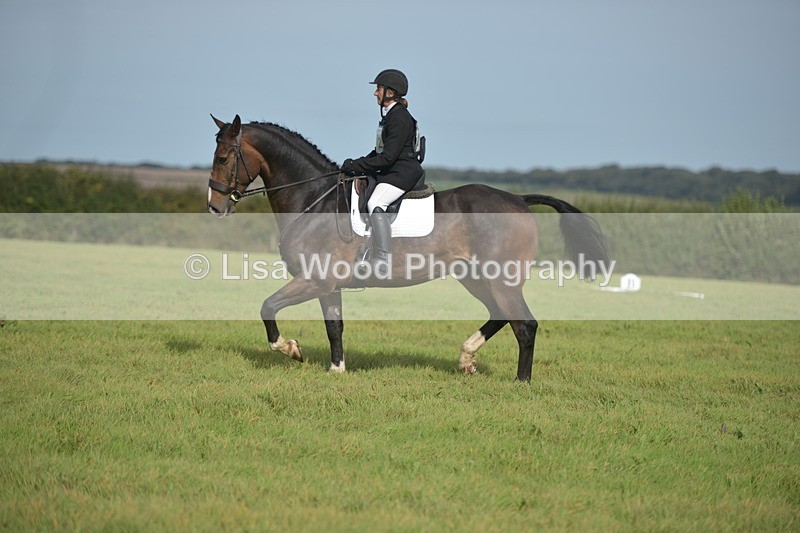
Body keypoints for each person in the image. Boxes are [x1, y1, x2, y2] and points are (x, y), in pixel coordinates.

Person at [341, 69, 424, 277]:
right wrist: (356, 163)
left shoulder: (399, 118)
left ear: (390, 92)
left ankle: (382, 259)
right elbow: (379, 152)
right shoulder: (391, 116)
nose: (375, 94)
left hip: (402, 172)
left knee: (375, 203)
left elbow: (387, 158)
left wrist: (357, 166)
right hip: (393, 169)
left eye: (378, 89)